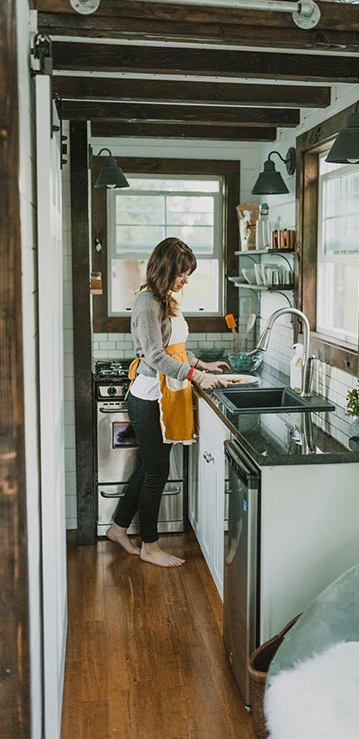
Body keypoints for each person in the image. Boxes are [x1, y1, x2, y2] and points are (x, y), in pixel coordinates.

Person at [106, 237, 230, 567]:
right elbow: (156, 355)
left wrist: (201, 364)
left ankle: (118, 528)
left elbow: (174, 346)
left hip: (166, 393)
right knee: (157, 471)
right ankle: (150, 545)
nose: (185, 280)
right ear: (166, 269)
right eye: (182, 273)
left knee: (150, 468)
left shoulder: (165, 300)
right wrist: (195, 376)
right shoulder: (147, 302)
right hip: (149, 397)